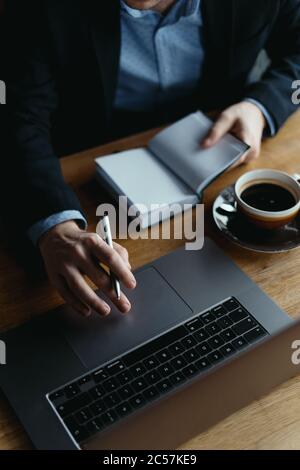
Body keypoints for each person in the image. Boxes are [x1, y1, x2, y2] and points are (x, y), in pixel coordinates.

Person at [2, 0, 300, 317]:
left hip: (223, 162)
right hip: (86, 169)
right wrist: (55, 226)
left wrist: (261, 105)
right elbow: (18, 118)